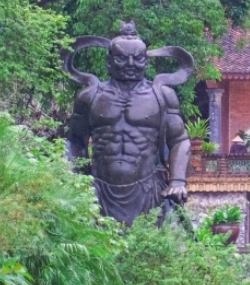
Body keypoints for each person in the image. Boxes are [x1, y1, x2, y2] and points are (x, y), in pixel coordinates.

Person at [65, 22, 193, 225]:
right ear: (109, 62)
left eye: (138, 59)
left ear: (146, 62)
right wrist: (74, 179)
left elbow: (179, 140)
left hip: (147, 189)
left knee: (159, 249)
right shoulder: (90, 96)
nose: (131, 64)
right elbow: (74, 142)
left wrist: (177, 181)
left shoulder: (162, 96)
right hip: (99, 189)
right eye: (122, 59)